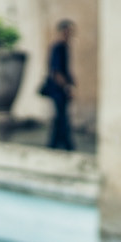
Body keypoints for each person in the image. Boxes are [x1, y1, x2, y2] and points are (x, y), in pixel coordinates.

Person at [42, 20, 76, 151]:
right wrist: (67, 87)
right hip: (58, 89)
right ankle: (61, 144)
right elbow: (56, 72)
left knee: (61, 117)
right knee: (61, 117)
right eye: (68, 31)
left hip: (60, 88)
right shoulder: (58, 47)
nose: (70, 34)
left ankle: (57, 143)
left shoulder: (64, 47)